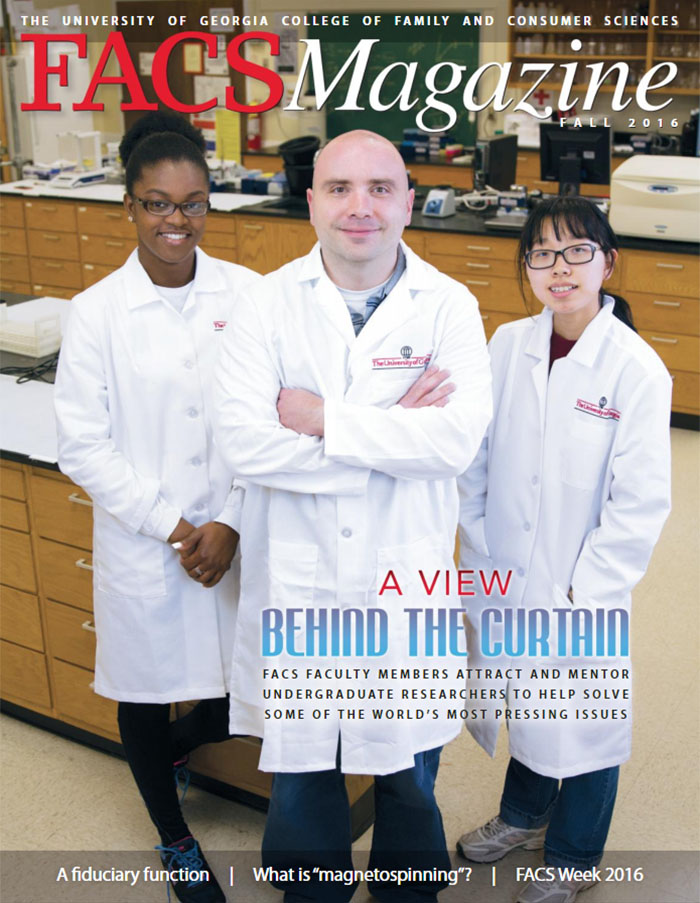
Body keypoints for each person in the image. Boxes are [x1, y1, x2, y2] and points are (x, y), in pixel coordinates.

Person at [214, 129, 492, 902]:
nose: (359, 206)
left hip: (406, 582)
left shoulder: (449, 306)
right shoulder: (264, 304)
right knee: (304, 767)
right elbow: (246, 446)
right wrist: (393, 425)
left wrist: (320, 418)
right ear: (311, 203)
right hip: (300, 581)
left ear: (409, 201)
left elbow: (455, 442)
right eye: (339, 188)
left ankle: (408, 887)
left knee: (407, 768)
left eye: (379, 188)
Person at [54, 111, 259, 903]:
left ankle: (182, 744)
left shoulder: (247, 295)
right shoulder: (97, 311)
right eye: (158, 203)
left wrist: (230, 520)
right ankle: (174, 838)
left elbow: (265, 418)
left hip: (232, 531)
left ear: (210, 204)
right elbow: (83, 444)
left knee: (226, 692)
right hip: (151, 540)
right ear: (130, 208)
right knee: (144, 688)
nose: (177, 220)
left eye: (193, 202)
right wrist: (180, 529)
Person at [456, 197, 672, 903]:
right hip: (504, 567)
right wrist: (478, 538)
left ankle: (575, 855)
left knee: (582, 718)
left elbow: (639, 501)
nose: (559, 266)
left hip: (581, 586)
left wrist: (587, 588)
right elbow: (476, 459)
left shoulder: (635, 370)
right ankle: (523, 814)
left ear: (608, 263)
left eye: (577, 250)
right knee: (526, 697)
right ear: (527, 269)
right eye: (542, 253)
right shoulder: (506, 345)